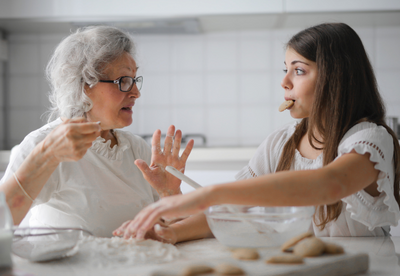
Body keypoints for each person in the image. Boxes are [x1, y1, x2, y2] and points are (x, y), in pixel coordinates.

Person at [115, 22, 400, 241]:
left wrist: (210, 194)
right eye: (285, 69)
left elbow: (331, 185)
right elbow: (235, 209)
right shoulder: (281, 142)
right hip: (305, 275)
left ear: (337, 77)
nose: (284, 82)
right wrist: (172, 232)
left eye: (298, 71)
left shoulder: (370, 140)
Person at [0, 26, 193, 237]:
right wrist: (45, 155)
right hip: (67, 270)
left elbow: (170, 230)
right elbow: (3, 221)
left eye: (135, 80)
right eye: (124, 81)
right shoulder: (43, 144)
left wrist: (170, 194)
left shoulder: (136, 148)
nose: (136, 93)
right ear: (84, 85)